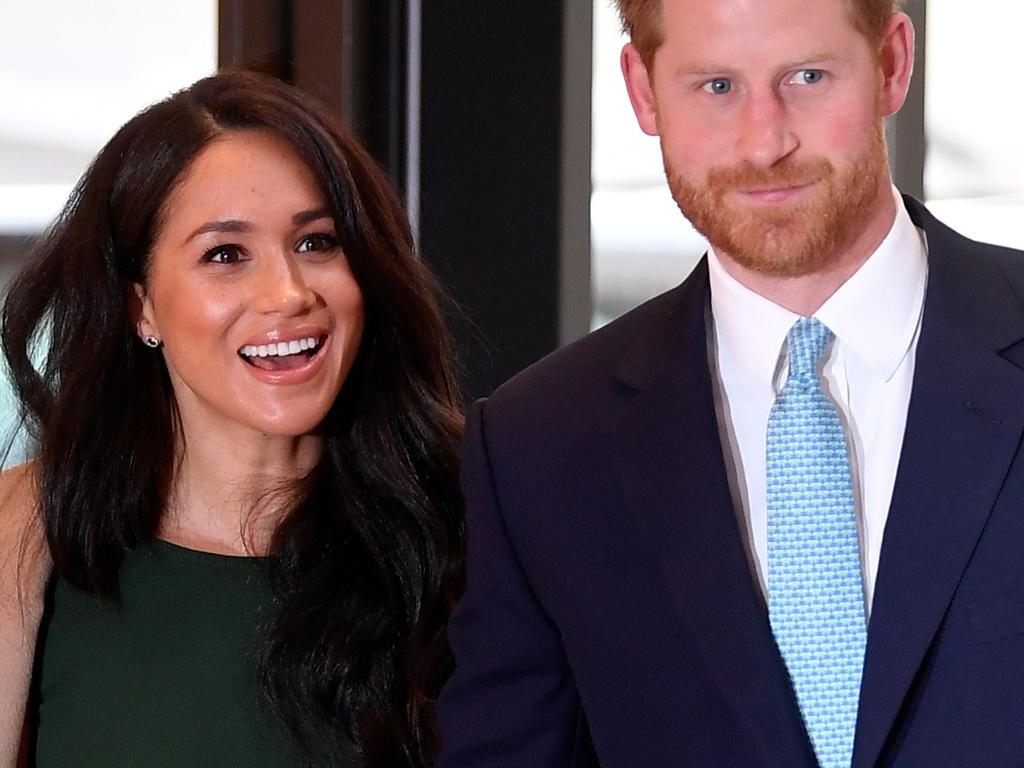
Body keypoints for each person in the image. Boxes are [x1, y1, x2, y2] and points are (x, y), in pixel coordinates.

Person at [438, 0, 1024, 766]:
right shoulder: (536, 448)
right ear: (644, 93)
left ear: (892, 62)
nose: (765, 141)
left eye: (807, 77)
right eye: (715, 86)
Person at [0, 70, 463, 768]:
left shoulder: (471, 519)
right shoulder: (32, 526)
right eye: (225, 254)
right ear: (141, 306)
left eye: (318, 243)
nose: (288, 293)